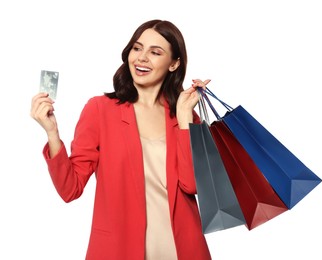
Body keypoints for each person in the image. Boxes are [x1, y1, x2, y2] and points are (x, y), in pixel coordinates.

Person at [31, 19, 212, 260]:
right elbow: (70, 189)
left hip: (181, 249)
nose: (142, 58)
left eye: (155, 52)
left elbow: (192, 185)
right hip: (119, 249)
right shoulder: (100, 110)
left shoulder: (185, 116)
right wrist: (52, 133)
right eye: (137, 48)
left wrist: (183, 118)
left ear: (174, 64)